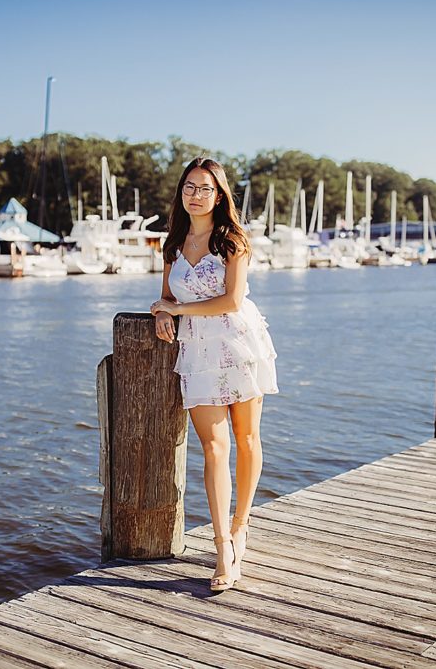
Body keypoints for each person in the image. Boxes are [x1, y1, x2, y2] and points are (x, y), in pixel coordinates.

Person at [149, 157, 278, 592]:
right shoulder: (172, 244)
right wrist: (159, 311)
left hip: (239, 344)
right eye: (189, 186)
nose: (195, 194)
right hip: (198, 351)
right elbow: (167, 294)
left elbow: (230, 301)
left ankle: (241, 525)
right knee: (214, 447)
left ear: (219, 194)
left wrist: (177, 310)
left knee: (246, 438)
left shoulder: (232, 240)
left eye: (205, 188)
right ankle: (223, 545)